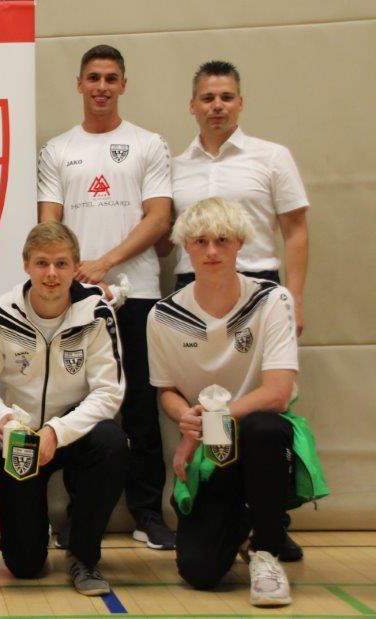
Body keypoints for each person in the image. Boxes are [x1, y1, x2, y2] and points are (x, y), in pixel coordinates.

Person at [147, 197, 326, 607]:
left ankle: (266, 550)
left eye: (222, 240)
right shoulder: (163, 315)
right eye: (200, 241)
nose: (211, 251)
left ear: (240, 243)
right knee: (200, 571)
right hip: (212, 449)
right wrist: (186, 420)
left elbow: (277, 393)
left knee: (266, 427)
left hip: (258, 437)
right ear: (185, 246)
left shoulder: (272, 300)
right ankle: (242, 522)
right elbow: (167, 391)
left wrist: (206, 421)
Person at [167, 60, 310, 560]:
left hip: (260, 290)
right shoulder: (174, 166)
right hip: (193, 292)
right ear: (193, 105)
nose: (217, 106)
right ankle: (217, 511)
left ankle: (271, 524)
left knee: (266, 413)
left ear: (240, 103)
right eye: (208, 98)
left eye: (226, 97)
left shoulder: (272, 157)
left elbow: (295, 229)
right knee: (200, 407)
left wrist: (294, 297)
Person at [37, 44, 174, 550]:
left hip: (138, 294)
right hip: (74, 299)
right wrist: (77, 273)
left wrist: (106, 263)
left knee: (139, 407)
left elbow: (159, 218)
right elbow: (49, 225)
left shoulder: (148, 144)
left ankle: (147, 514)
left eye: (110, 78)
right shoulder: (57, 149)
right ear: (79, 83)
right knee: (80, 408)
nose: (101, 87)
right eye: (93, 77)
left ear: (123, 84)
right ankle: (78, 518)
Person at [0, 221, 128, 596]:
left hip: (73, 434)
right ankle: (32, 539)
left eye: (61, 263)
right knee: (24, 567)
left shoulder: (97, 313)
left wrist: (57, 431)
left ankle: (83, 554)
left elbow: (108, 392)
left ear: (76, 267)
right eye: (42, 263)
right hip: (18, 441)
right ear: (26, 264)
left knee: (111, 442)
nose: (52, 274)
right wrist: (3, 418)